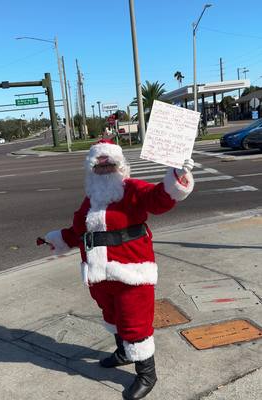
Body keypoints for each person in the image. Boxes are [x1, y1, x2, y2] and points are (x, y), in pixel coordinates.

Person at [44, 139, 194, 399]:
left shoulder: (132, 189)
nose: (104, 171)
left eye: (109, 165)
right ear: (91, 170)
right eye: (98, 167)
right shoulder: (91, 198)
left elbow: (158, 199)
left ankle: (147, 374)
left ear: (120, 166)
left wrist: (177, 178)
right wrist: (58, 239)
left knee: (134, 322)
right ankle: (124, 352)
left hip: (132, 273)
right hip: (99, 274)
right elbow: (80, 229)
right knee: (112, 316)